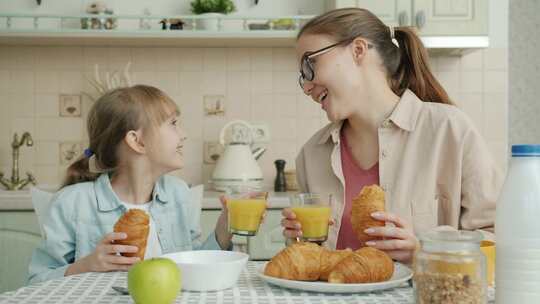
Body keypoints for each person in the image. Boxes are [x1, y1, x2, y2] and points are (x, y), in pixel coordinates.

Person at [281, 8, 503, 264]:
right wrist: (299, 240)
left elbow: (499, 238)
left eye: (310, 64)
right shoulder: (311, 155)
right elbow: (315, 261)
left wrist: (424, 251)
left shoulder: (450, 130)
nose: (307, 86)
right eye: (302, 77)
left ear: (358, 50)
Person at [28, 85, 233, 284]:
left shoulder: (178, 194)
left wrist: (224, 228)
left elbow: (193, 266)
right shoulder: (73, 202)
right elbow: (37, 281)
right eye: (173, 123)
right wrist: (87, 265)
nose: (184, 134)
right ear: (137, 141)